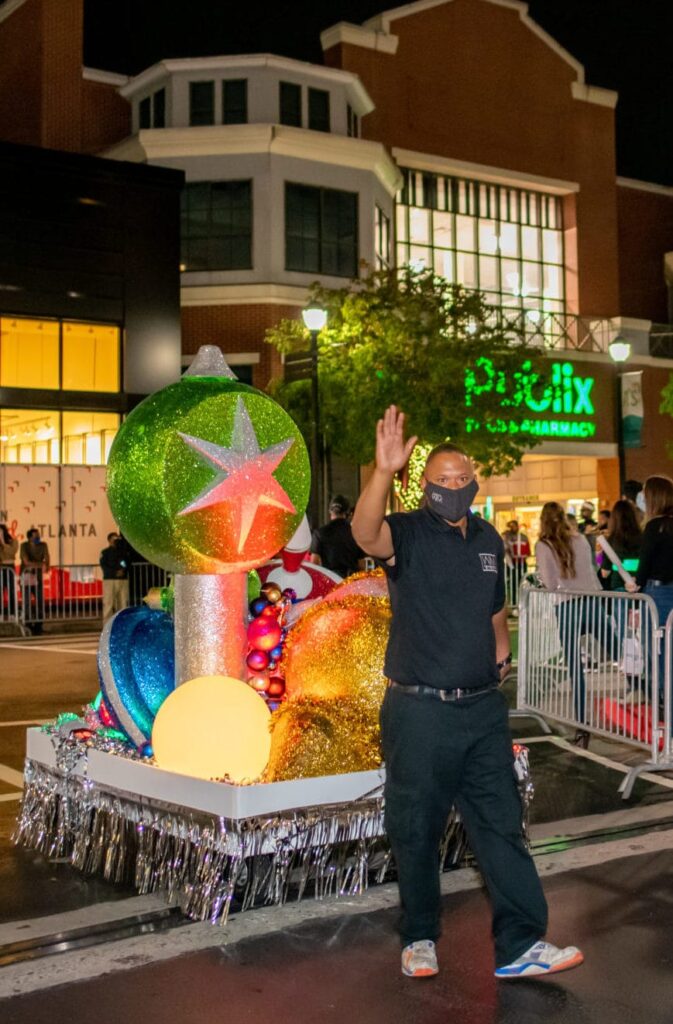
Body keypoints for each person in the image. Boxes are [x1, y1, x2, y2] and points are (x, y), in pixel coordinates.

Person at [351, 405, 582, 981]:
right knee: (416, 828)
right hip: (419, 709)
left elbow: (493, 606)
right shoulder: (405, 532)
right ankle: (421, 937)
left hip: (481, 708)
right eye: (443, 480)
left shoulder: (486, 538)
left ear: (475, 482)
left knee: (501, 826)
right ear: (424, 486)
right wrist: (382, 471)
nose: (455, 488)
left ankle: (520, 943)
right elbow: (363, 532)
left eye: (463, 479)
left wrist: (500, 647)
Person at [535, 502, 616, 723]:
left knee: (574, 665)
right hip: (592, 601)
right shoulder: (580, 539)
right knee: (617, 651)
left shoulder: (544, 545)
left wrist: (540, 581)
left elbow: (550, 583)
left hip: (567, 605)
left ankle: (582, 718)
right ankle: (650, 693)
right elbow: (591, 570)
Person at [626, 476, 673, 687]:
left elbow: (644, 563)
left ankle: (666, 704)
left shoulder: (654, 526)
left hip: (657, 594)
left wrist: (635, 584)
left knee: (659, 649)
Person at [310, 495, 365, 579]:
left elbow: (314, 563)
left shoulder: (319, 533)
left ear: (330, 512)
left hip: (330, 581)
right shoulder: (356, 533)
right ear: (348, 513)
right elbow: (361, 565)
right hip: (350, 582)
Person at [19, 528, 50, 635]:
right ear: (29, 537)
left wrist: (44, 564)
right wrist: (41, 565)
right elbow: (26, 561)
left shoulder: (43, 545)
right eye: (35, 536)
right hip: (26, 576)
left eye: (38, 535)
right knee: (26, 601)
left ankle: (38, 625)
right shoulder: (24, 546)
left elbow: (47, 558)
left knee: (40, 601)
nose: (38, 537)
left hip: (38, 577)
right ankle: (28, 624)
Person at [100, 531, 129, 623]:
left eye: (118, 538)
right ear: (109, 540)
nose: (117, 540)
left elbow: (126, 563)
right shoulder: (105, 552)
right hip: (110, 579)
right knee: (108, 602)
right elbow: (104, 565)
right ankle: (106, 624)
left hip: (122, 580)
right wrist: (115, 572)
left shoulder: (123, 552)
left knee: (123, 602)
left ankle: (122, 622)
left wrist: (123, 570)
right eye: (114, 539)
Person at [501, 519, 530, 611]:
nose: (512, 528)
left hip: (521, 563)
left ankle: (522, 603)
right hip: (511, 565)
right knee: (512, 584)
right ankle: (513, 603)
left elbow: (527, 551)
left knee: (522, 583)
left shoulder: (523, 537)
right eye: (511, 526)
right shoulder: (507, 537)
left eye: (514, 526)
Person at [0, 523, 18, 618]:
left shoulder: (13, 541)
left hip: (10, 567)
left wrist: (3, 543)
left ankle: (12, 613)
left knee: (11, 591)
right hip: (1, 567)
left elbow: (12, 552)